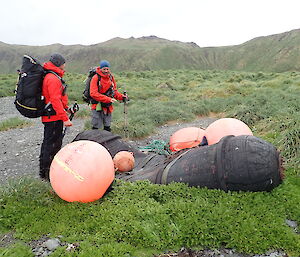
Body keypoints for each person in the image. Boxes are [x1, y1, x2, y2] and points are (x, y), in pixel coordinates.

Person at [39, 53, 73, 181]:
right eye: (64, 63)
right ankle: (47, 174)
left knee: (49, 143)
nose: (65, 66)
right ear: (59, 63)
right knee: (51, 145)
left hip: (53, 116)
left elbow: (59, 99)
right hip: (53, 118)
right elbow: (54, 100)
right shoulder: (52, 78)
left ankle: (45, 171)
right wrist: (65, 118)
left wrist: (66, 109)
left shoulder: (52, 76)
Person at [89, 60, 127, 131]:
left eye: (107, 69)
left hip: (108, 106)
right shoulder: (96, 78)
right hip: (97, 106)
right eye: (104, 69)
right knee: (96, 127)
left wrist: (121, 97)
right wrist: (108, 99)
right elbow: (93, 93)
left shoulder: (111, 77)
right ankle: (95, 140)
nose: (106, 71)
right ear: (100, 68)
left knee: (107, 127)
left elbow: (114, 91)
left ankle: (106, 141)